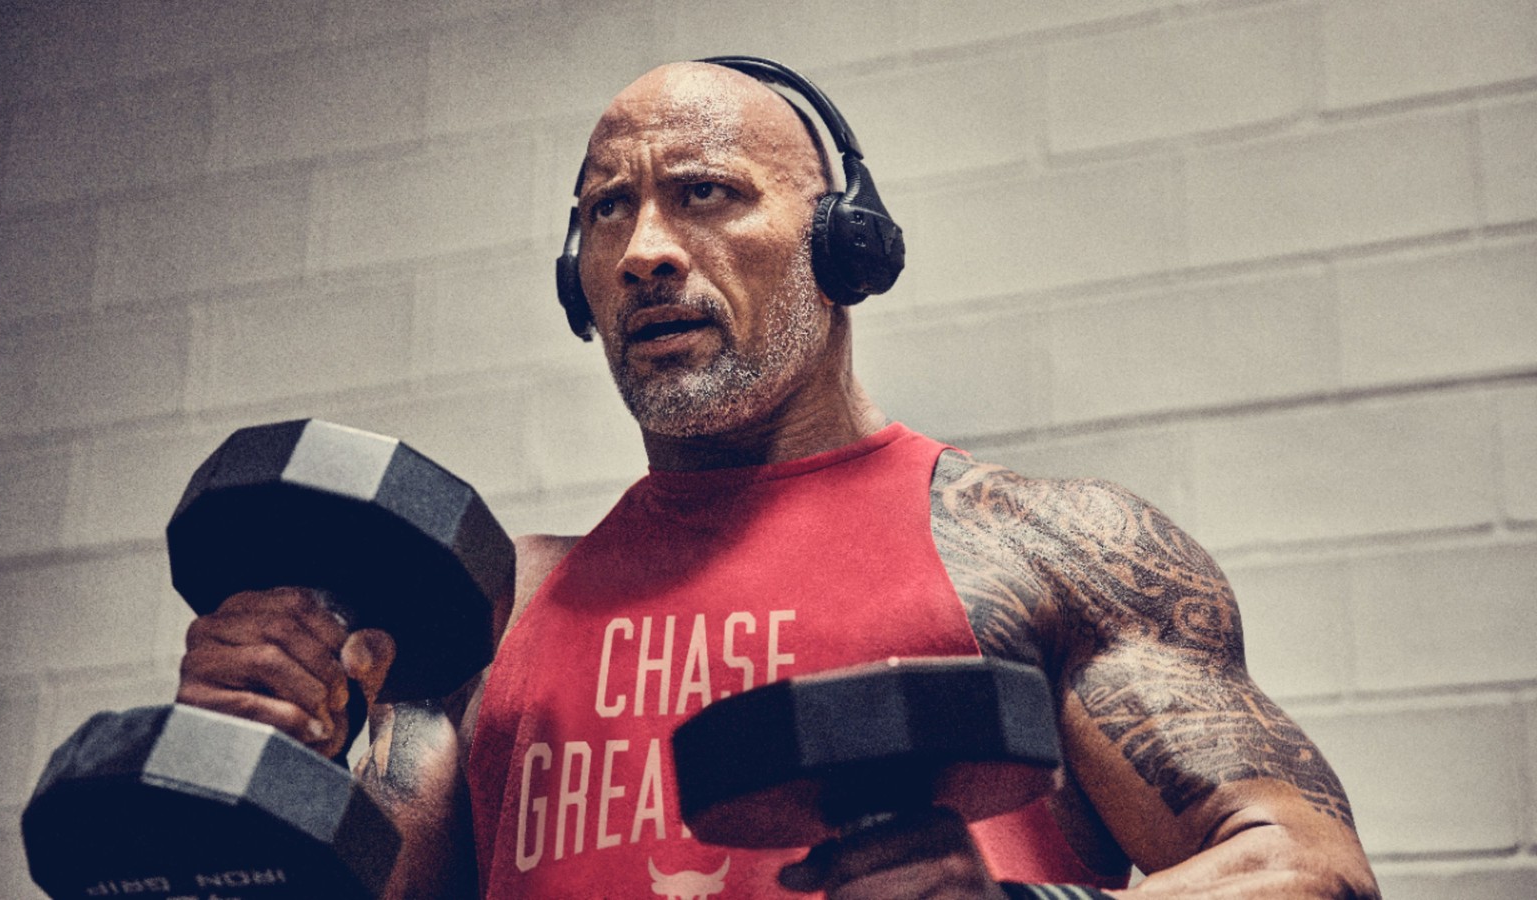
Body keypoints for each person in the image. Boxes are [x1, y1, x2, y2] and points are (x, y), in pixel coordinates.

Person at [177, 59, 1381, 899]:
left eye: (703, 193)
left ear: (843, 244)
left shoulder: (1041, 545)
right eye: (607, 211)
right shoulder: (497, 607)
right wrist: (261, 756)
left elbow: (1306, 868)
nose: (645, 249)